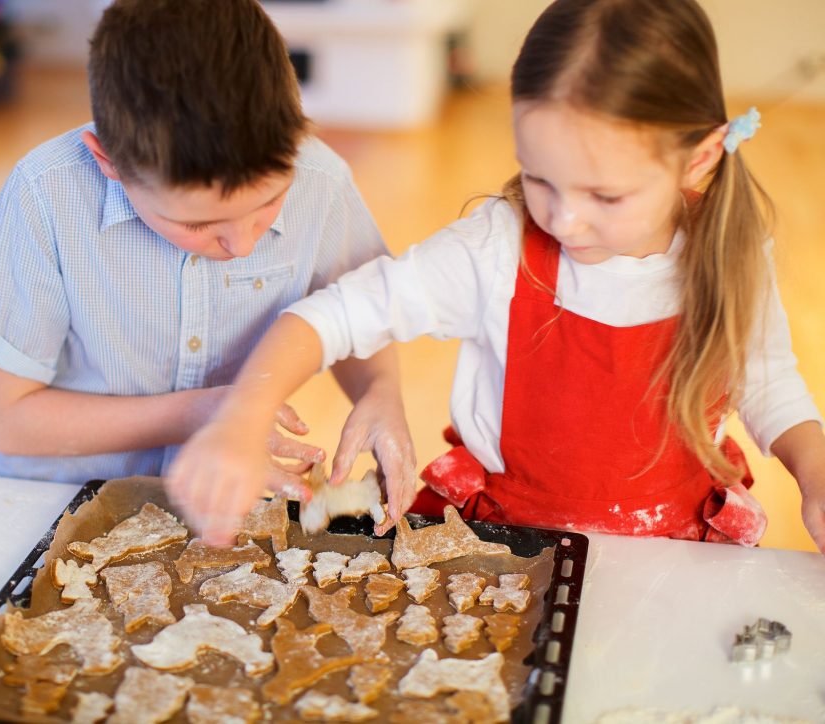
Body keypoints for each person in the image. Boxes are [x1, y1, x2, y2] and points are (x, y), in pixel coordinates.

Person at [167, 0, 825, 555]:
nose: (565, 219)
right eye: (539, 178)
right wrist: (240, 418)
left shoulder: (731, 248)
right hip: (507, 547)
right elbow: (329, 315)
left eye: (606, 196)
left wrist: (816, 474)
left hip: (673, 551)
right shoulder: (496, 248)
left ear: (700, 158)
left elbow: (766, 382)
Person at [0, 0, 404, 495]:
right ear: (108, 161)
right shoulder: (45, 197)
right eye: (199, 223)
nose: (242, 243)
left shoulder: (321, 181)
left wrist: (380, 392)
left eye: (270, 202)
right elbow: (8, 420)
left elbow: (360, 311)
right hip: (49, 497)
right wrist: (209, 412)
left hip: (217, 499)